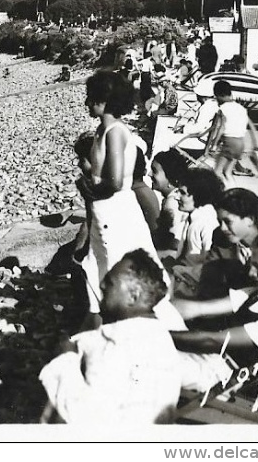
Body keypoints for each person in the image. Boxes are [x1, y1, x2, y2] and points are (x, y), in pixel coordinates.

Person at [39, 249, 181, 424]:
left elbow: (85, 417)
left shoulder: (114, 347)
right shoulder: (159, 336)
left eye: (110, 283)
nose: (101, 286)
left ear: (133, 296)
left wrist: (65, 358)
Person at [75, 71, 163, 328]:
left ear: (104, 100)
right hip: (107, 209)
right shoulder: (105, 129)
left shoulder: (114, 130)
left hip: (115, 210)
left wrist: (89, 187)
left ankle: (111, 326)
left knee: (111, 264)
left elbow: (114, 181)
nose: (87, 104)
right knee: (100, 265)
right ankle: (101, 325)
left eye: (91, 98)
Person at [171, 229, 258, 392]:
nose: (251, 272)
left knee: (144, 353)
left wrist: (156, 333)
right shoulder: (257, 294)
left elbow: (213, 340)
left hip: (219, 377)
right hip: (205, 359)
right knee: (164, 312)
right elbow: (197, 309)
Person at [206, 81, 258, 186]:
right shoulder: (241, 109)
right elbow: (251, 127)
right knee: (227, 172)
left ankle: (223, 192)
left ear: (220, 95)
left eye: (216, 96)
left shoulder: (223, 109)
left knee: (217, 172)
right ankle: (233, 189)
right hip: (240, 143)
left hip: (229, 142)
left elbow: (221, 128)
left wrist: (214, 144)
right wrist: (255, 144)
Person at [175, 167, 225, 260]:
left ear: (199, 195)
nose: (176, 197)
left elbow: (210, 261)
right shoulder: (192, 216)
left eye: (182, 193)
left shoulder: (207, 222)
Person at [149, 150, 190, 257]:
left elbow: (170, 241)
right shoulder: (175, 197)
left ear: (170, 176)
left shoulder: (172, 203)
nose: (149, 174)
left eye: (154, 171)